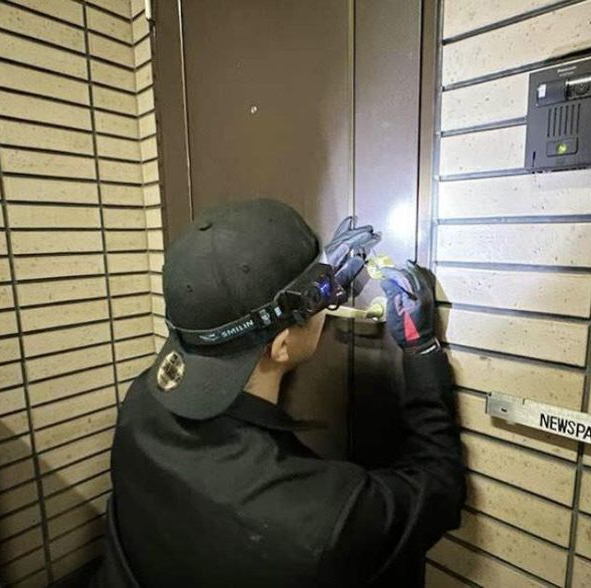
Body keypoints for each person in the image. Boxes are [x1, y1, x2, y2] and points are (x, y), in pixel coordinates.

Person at [94, 199, 464, 587]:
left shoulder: (141, 404)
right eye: (320, 295)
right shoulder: (323, 520)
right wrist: (422, 351)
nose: (325, 299)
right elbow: (440, 487)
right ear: (282, 346)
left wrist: (312, 288)